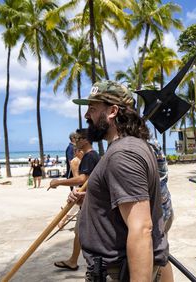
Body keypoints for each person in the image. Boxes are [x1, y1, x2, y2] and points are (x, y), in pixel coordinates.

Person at [69, 80, 168, 281]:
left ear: (113, 111)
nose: (87, 115)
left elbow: (141, 229)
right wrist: (94, 200)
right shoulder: (132, 147)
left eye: (92, 109)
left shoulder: (123, 154)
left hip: (117, 272)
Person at [48, 128, 100, 271]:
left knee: (86, 233)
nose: (75, 142)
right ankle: (73, 261)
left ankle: (86, 263)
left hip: (92, 204)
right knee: (79, 231)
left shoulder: (90, 156)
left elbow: (83, 179)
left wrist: (58, 182)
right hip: (88, 202)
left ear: (86, 140)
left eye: (77, 139)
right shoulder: (90, 156)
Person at [149, 139, 174, 282]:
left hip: (156, 213)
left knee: (159, 258)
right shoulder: (148, 141)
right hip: (162, 209)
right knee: (161, 257)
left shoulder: (144, 144)